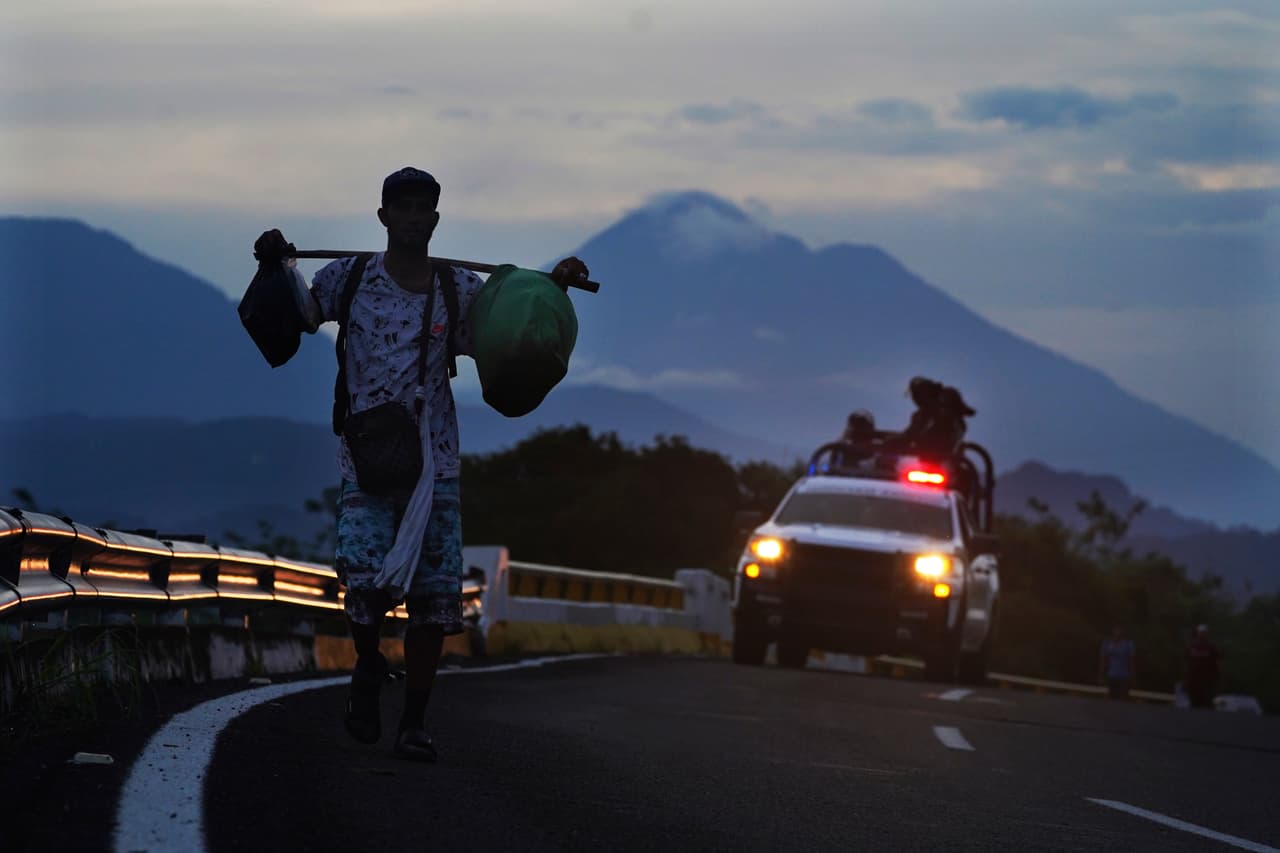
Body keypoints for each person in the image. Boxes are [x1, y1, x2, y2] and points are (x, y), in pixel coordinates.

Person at [253, 167, 589, 761]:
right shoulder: (348, 278)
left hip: (435, 465)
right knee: (362, 583)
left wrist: (552, 286)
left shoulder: (461, 290)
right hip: (365, 458)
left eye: (422, 209)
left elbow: (511, 321)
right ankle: (366, 663)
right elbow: (301, 312)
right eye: (402, 207)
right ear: (383, 216)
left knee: (434, 598)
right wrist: (276, 262)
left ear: (435, 219)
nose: (413, 217)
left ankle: (413, 722)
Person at [1184, 624, 1221, 710]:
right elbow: (1186, 661)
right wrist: (1186, 676)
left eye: (1204, 633)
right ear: (1198, 633)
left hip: (1207, 679)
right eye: (1201, 633)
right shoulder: (1191, 646)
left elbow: (1217, 662)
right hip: (1193, 678)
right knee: (1194, 701)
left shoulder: (1211, 647)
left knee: (1207, 701)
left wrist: (1218, 676)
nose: (1202, 635)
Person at [1098, 625, 1136, 700]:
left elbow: (1132, 662)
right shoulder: (1107, 643)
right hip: (1111, 676)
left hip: (1124, 677)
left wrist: (1133, 676)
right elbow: (1103, 660)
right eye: (1116, 629)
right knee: (1112, 699)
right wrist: (1101, 675)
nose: (1117, 632)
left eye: (1119, 630)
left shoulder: (1129, 644)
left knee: (1123, 699)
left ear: (1123, 631)